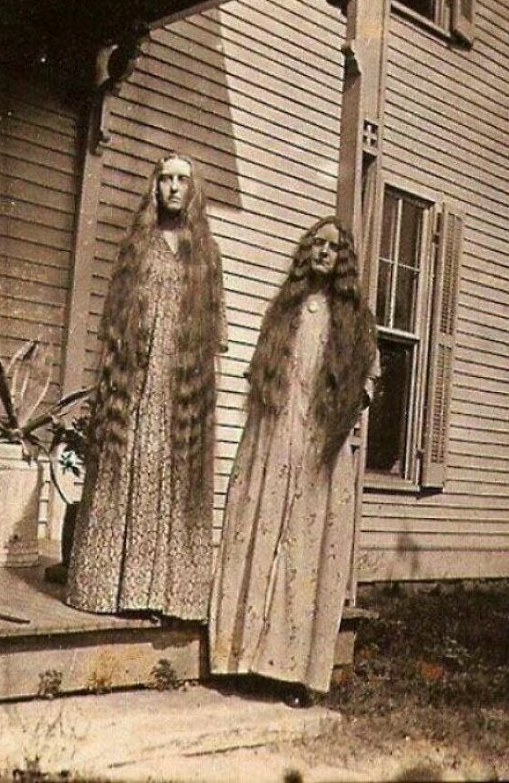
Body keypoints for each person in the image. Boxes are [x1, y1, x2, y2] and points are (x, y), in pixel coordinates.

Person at [209, 215, 378, 705]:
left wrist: (338, 415)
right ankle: (239, 661)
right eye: (317, 244)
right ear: (306, 251)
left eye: (334, 247)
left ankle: (292, 674)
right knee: (257, 534)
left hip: (319, 443)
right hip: (272, 434)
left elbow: (368, 381)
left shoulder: (354, 320)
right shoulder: (284, 308)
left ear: (343, 260)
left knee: (304, 549)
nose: (323, 252)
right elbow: (260, 370)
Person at [66, 153, 227, 621]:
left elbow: (214, 322)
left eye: (182, 180)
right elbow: (116, 316)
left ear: (194, 190)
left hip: (181, 381)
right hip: (137, 376)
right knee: (130, 464)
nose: (173, 188)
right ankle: (111, 589)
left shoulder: (205, 252)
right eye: (165, 179)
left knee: (172, 473)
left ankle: (166, 594)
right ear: (154, 187)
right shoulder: (138, 244)